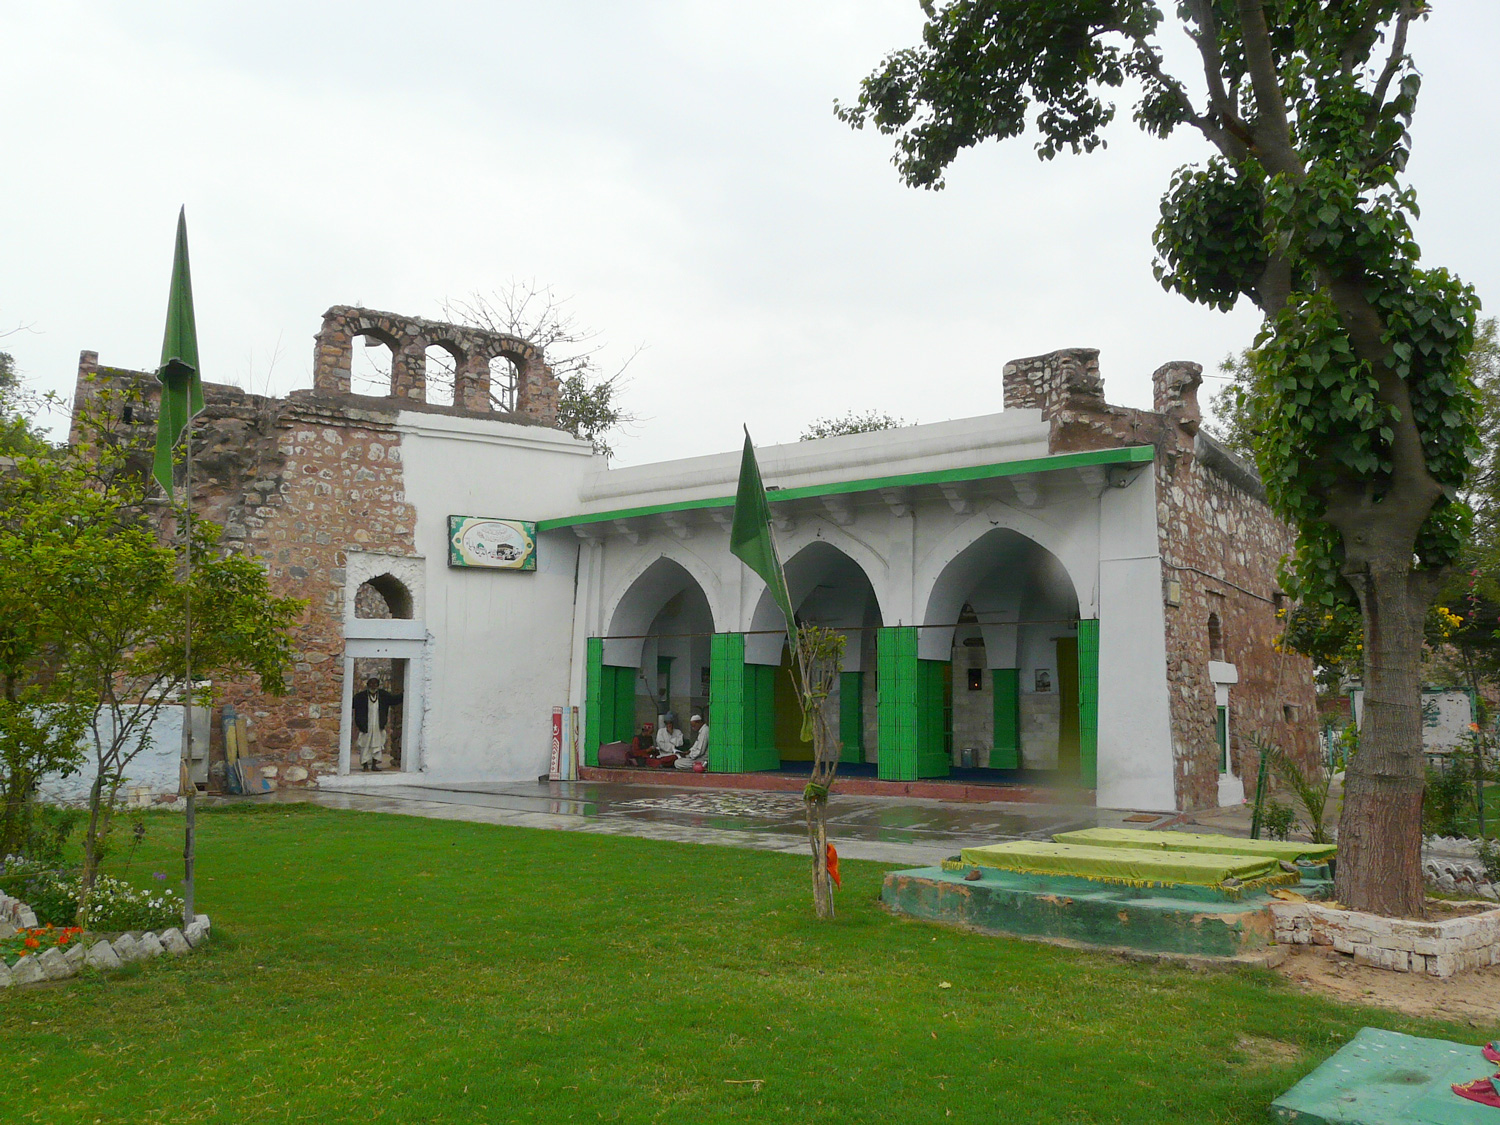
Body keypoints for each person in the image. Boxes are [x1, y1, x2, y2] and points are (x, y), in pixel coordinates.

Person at [353, 675, 403, 772]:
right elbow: (350, 703)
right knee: (365, 745)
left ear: (378, 685)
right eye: (371, 683)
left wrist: (405, 694)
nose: (373, 685)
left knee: (377, 744)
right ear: (368, 685)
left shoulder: (383, 695)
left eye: (375, 683)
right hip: (365, 725)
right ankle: (365, 765)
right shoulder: (360, 697)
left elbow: (394, 700)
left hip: (378, 725)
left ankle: (374, 765)